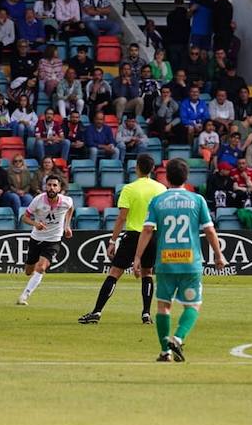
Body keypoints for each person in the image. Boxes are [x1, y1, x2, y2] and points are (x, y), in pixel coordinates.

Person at [132, 157, 227, 362]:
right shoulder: (197, 200)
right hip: (190, 262)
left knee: (163, 306)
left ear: (166, 177)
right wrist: (218, 256)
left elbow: (147, 229)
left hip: (166, 262)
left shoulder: (158, 200)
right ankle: (178, 337)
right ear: (187, 177)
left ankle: (165, 351)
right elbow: (209, 231)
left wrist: (138, 257)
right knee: (193, 305)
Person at [81, 153, 164, 325]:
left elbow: (122, 217)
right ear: (153, 169)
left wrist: (112, 241)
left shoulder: (129, 189)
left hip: (133, 235)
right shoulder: (161, 189)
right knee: (147, 273)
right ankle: (146, 314)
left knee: (114, 273)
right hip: (152, 235)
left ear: (137, 168)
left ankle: (97, 312)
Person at [15, 175, 74, 305]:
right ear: (45, 187)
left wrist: (67, 225)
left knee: (41, 267)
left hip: (53, 240)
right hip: (36, 238)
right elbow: (24, 217)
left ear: (59, 188)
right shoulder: (38, 200)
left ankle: (24, 296)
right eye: (49, 185)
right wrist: (35, 224)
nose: (51, 188)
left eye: (54, 185)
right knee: (28, 271)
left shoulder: (66, 201)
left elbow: (70, 209)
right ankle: (35, 275)